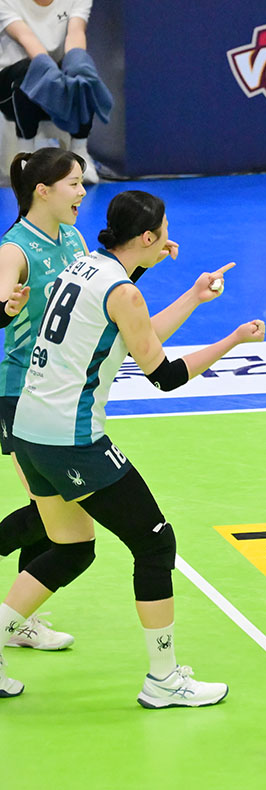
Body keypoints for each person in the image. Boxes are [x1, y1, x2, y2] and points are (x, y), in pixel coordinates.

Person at [0, 189, 265, 702]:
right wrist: (230, 341)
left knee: (72, 547)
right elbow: (163, 374)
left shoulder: (83, 267)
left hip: (29, 430)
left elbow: (132, 332)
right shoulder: (123, 292)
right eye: (163, 232)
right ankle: (164, 679)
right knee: (155, 542)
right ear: (147, 237)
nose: (168, 239)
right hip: (70, 440)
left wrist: (192, 295)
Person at [0, 147, 87, 652]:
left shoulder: (73, 238)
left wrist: (142, 264)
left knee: (51, 510)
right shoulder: (14, 249)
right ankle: (16, 618)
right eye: (73, 183)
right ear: (43, 190)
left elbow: (92, 299)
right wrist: (5, 308)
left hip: (61, 391)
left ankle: (18, 620)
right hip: (20, 393)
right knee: (52, 513)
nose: (82, 191)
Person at [0, 0, 109, 184]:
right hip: (10, 86)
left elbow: (76, 32)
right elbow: (26, 37)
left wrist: (76, 64)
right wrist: (50, 75)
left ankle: (79, 151)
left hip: (55, 78)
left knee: (81, 70)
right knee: (31, 70)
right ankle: (26, 155)